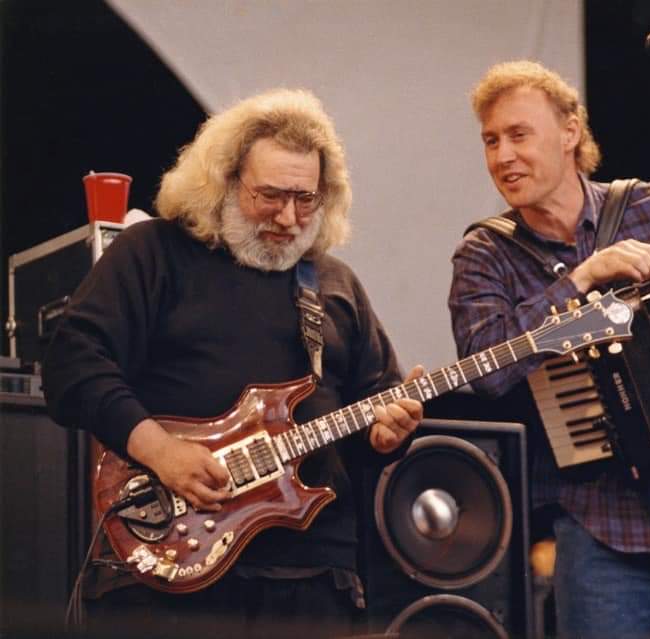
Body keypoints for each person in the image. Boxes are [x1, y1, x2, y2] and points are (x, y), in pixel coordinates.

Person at [43, 88, 423, 639]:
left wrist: (388, 437)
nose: (289, 217)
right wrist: (160, 450)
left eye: (306, 199)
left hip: (314, 576)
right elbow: (72, 363)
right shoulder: (153, 253)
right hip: (168, 567)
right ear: (221, 181)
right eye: (269, 196)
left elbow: (372, 415)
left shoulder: (336, 286)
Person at [448, 60, 650, 639]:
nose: (502, 156)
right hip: (601, 522)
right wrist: (578, 281)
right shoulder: (485, 255)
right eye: (490, 140)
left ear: (570, 131)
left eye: (518, 135)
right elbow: (487, 370)